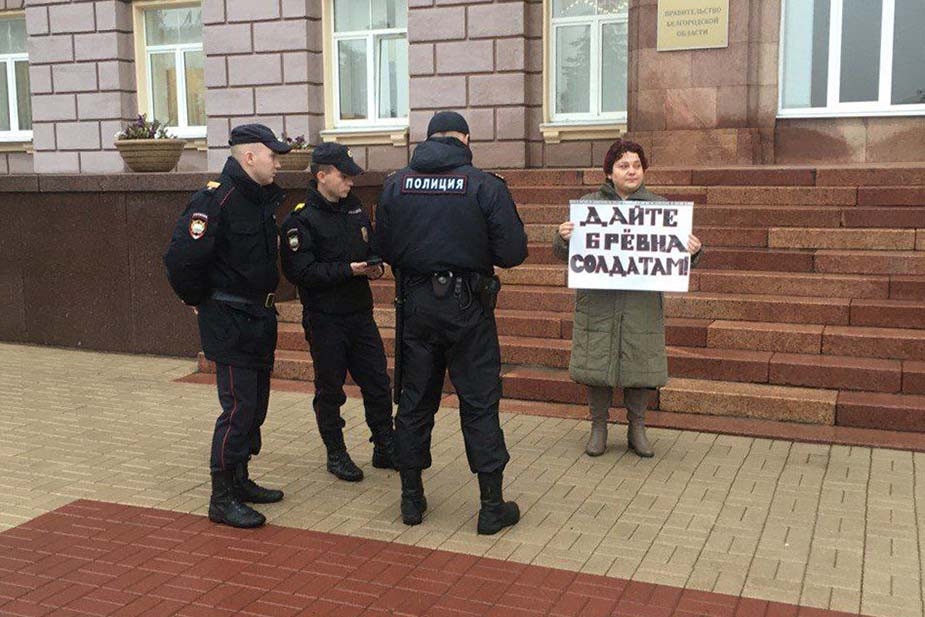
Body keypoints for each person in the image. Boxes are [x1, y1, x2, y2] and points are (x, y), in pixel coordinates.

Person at [374, 111, 528, 535]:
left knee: (414, 401)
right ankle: (491, 506)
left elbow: (384, 246)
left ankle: (411, 500)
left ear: (428, 139)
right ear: (464, 138)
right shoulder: (484, 185)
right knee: (479, 403)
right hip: (468, 308)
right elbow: (513, 252)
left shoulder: (395, 184)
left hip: (416, 306)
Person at [164, 123, 290, 528]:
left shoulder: (259, 200)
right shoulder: (216, 200)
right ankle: (221, 497)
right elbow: (181, 259)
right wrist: (196, 300)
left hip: (258, 318)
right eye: (272, 155)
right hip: (230, 319)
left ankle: (240, 479)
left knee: (256, 408)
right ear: (249, 156)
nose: (277, 164)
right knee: (238, 409)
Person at [553, 139, 702, 459]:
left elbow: (676, 261)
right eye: (623, 165)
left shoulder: (662, 209)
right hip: (598, 302)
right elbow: (566, 254)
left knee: (639, 364)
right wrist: (563, 237)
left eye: (636, 165)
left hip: (641, 303)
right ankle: (598, 427)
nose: (631, 171)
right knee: (597, 363)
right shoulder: (588, 206)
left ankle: (638, 428)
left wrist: (693, 251)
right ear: (609, 173)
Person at [279, 143, 395, 482]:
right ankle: (336, 451)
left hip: (359, 313)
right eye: (343, 177)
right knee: (330, 389)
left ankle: (384, 446)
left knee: (377, 382)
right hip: (325, 318)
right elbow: (301, 273)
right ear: (321, 176)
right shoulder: (300, 220)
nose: (350, 184)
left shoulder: (354, 209)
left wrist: (375, 267)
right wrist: (349, 271)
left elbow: (372, 247)